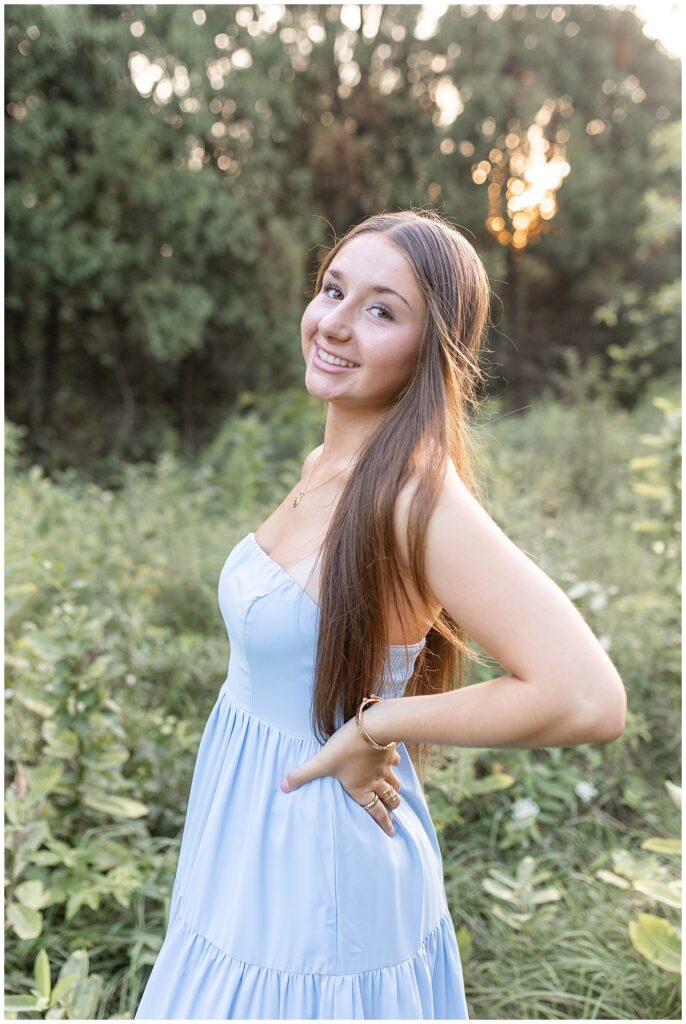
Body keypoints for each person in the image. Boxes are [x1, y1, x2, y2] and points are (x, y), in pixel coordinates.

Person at [135, 209, 627, 1020]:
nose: (334, 322)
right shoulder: (326, 461)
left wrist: (374, 727)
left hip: (318, 872)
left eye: (381, 310)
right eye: (334, 289)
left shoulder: (416, 500)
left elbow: (588, 695)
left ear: (428, 351)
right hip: (246, 830)